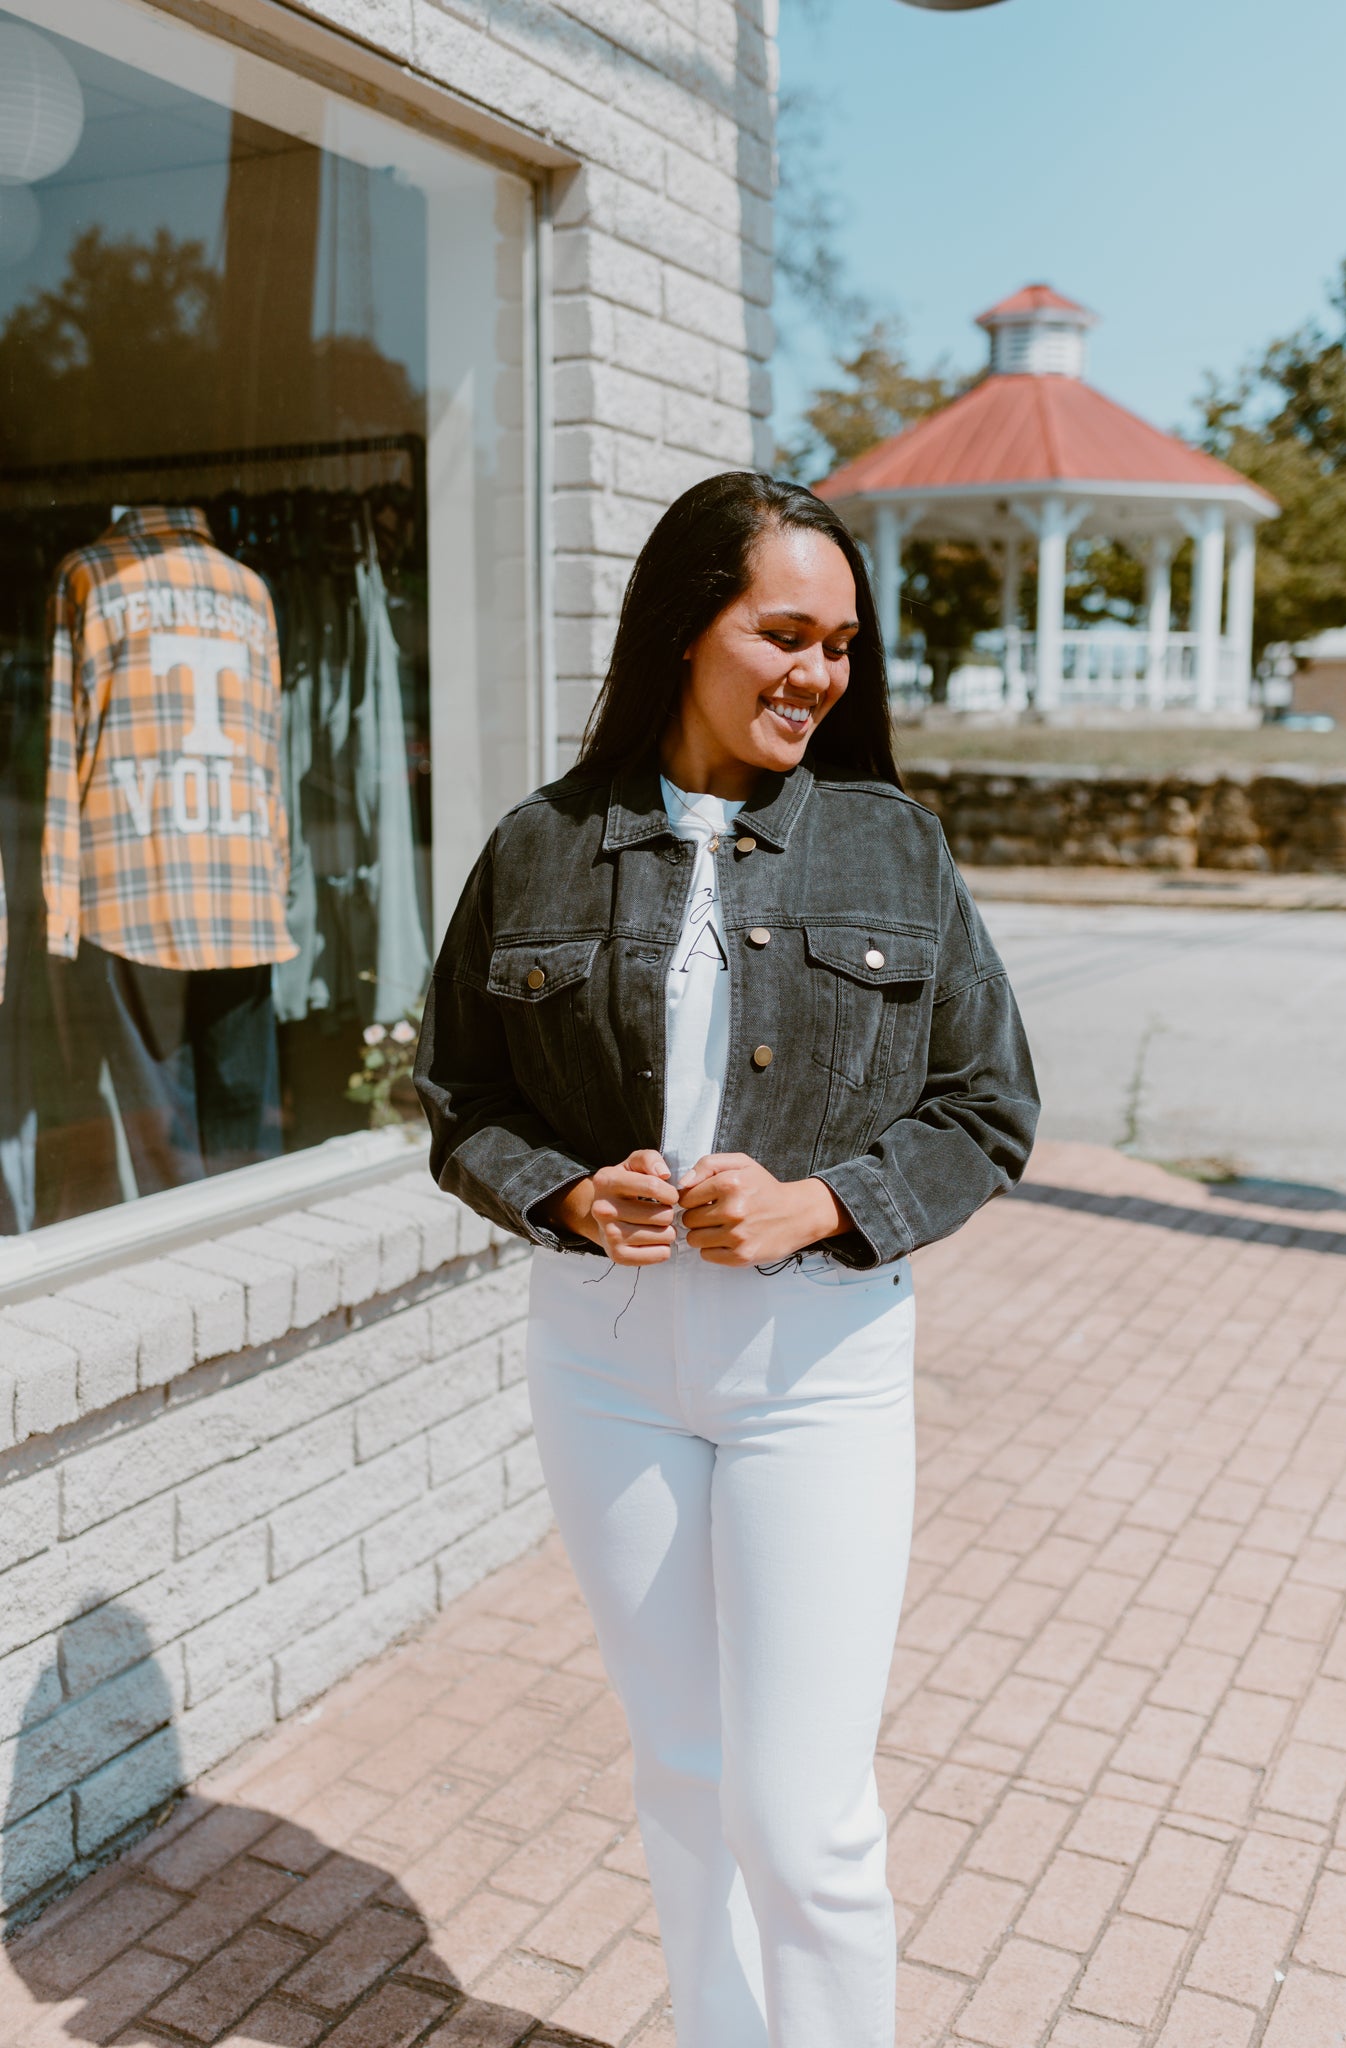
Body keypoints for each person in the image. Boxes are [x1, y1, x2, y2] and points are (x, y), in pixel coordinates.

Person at [415, 472, 1039, 2047]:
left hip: (814, 1372)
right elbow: (459, 1100)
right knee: (685, 1774)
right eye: (783, 634)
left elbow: (991, 1107)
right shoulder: (541, 848)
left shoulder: (896, 850)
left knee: (802, 1809)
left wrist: (820, 1205)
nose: (818, 676)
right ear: (687, 627)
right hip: (606, 1363)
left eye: (839, 644)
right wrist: (564, 1198)